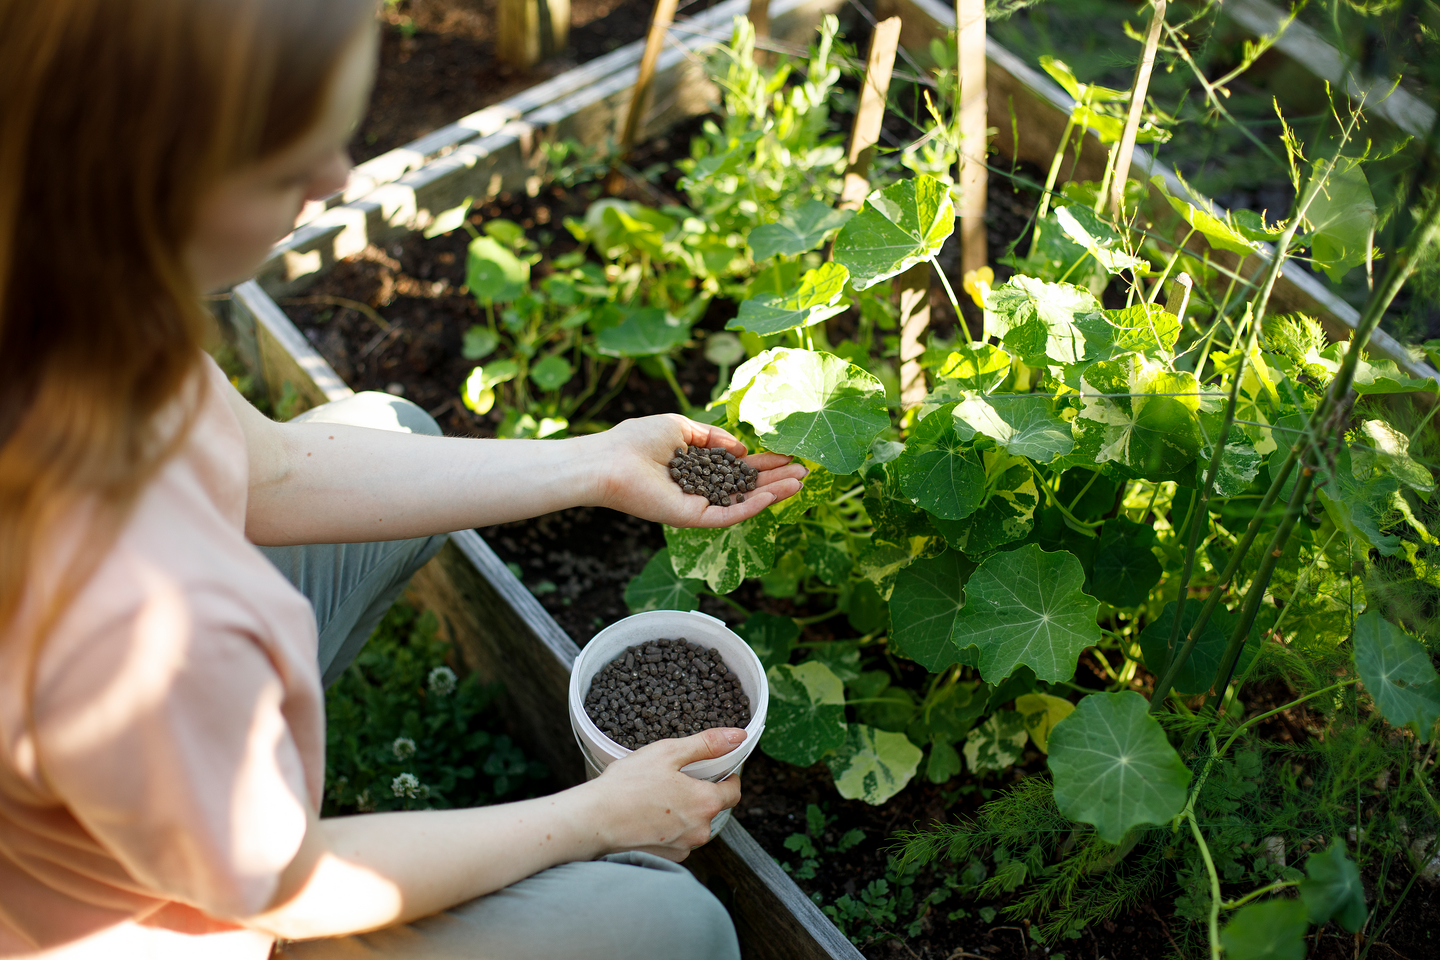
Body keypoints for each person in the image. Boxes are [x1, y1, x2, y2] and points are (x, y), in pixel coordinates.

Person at [0, 1, 806, 958]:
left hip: (143, 800)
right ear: (145, 182)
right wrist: (601, 813)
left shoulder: (70, 283)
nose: (338, 178)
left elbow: (273, 469)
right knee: (676, 926)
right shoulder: (150, 610)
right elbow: (286, 887)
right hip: (171, 925)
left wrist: (594, 461)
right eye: (285, 161)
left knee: (386, 428)